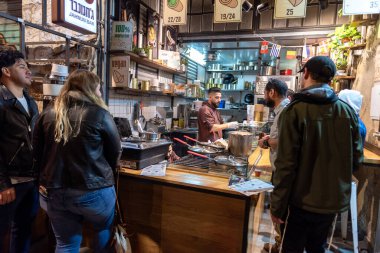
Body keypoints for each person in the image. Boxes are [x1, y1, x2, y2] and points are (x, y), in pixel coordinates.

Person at [271, 56, 363, 253]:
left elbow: (286, 164)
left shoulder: (294, 111)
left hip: (300, 202)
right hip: (332, 202)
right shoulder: (347, 112)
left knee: (292, 248)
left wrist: (277, 206)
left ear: (305, 73)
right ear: (331, 79)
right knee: (317, 247)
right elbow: (356, 160)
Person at [33, 70, 122, 253]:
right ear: (90, 89)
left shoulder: (48, 112)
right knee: (102, 229)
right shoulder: (100, 114)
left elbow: (37, 152)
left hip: (54, 191)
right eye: (98, 89)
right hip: (94, 192)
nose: (99, 93)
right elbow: (115, 153)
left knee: (65, 244)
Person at [0, 49, 39, 253]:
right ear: (6, 71)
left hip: (30, 180)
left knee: (23, 231)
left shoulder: (31, 101)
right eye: (22, 66)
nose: (28, 71)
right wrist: (2, 183)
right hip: (10, 184)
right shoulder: (1, 101)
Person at [257, 79, 289, 253]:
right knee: (280, 212)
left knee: (279, 212)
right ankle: (279, 244)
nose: (264, 97)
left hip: (282, 170)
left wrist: (267, 142)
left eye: (265, 93)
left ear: (272, 92)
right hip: (281, 168)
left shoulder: (284, 110)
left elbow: (285, 140)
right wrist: (270, 138)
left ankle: (281, 246)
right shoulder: (282, 110)